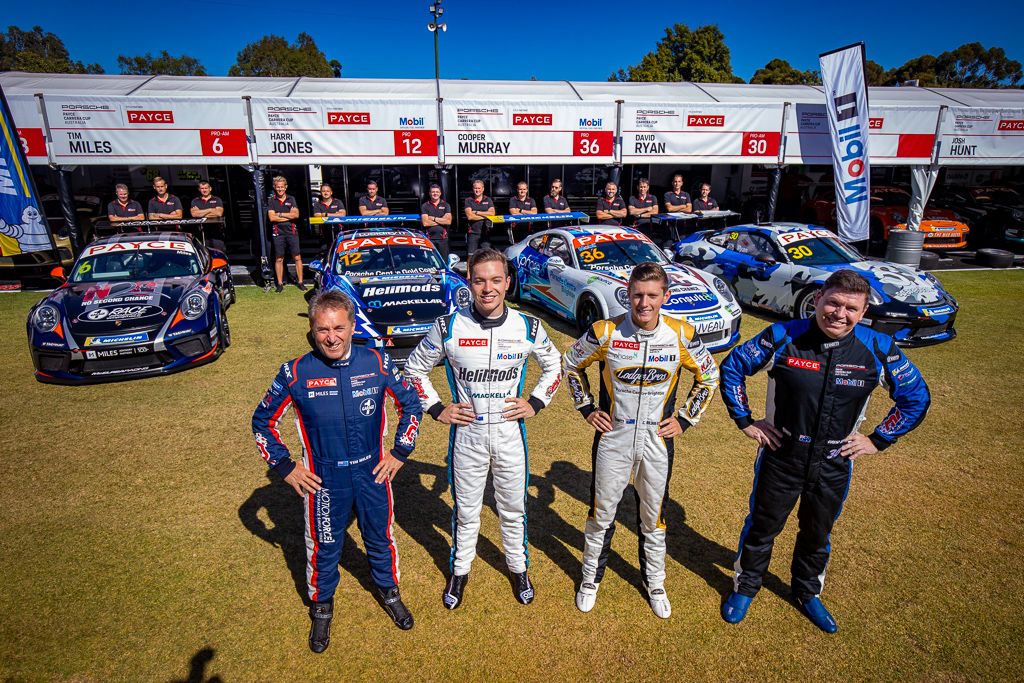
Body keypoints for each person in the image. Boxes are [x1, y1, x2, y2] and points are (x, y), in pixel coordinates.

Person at [718, 269, 931, 633]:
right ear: (818, 300)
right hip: (782, 454)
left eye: (851, 308)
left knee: (817, 532)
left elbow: (916, 398)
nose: (839, 313)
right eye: (833, 302)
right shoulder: (784, 335)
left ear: (863, 313)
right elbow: (734, 367)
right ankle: (746, 586)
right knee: (763, 527)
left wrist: (877, 439)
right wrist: (746, 421)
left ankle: (806, 592)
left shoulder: (878, 347)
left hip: (835, 461)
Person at [251, 290, 423, 653]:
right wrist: (285, 466)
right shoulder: (295, 371)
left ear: (351, 326)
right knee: (324, 547)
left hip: (372, 473)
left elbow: (411, 405)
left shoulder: (376, 362)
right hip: (324, 480)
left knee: (379, 537)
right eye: (322, 330)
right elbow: (262, 422)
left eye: (339, 328)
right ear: (312, 330)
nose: (331, 337)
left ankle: (389, 591)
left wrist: (400, 452)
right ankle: (322, 606)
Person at [404, 248, 562, 610]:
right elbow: (413, 370)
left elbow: (555, 367)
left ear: (507, 283)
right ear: (469, 283)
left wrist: (536, 402)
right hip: (468, 437)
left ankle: (518, 569)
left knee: (512, 508)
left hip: (510, 436)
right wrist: (436, 408)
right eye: (479, 280)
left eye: (495, 280)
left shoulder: (528, 326)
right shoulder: (447, 326)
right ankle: (460, 572)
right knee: (466, 510)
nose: (487, 288)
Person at [562, 261, 719, 619]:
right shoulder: (604, 331)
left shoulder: (681, 333)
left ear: (665, 296)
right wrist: (586, 407)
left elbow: (709, 376)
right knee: (602, 513)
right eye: (636, 295)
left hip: (657, 441)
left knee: (653, 517)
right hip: (613, 438)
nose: (643, 303)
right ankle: (590, 579)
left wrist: (685, 419)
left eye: (651, 296)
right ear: (627, 295)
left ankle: (655, 582)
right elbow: (570, 364)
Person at [267, 175, 305, 293]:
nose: (280, 189)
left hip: (292, 231)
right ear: (274, 187)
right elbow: (272, 218)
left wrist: (280, 214)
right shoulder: (271, 200)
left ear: (286, 187)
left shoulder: (291, 199)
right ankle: (279, 284)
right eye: (278, 187)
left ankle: (300, 282)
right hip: (278, 232)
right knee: (279, 258)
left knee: (297, 257)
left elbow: (296, 215)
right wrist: (287, 215)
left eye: (282, 187)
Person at [189, 180, 226, 252]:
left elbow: (219, 213)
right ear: (199, 189)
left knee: (218, 254)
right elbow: (194, 214)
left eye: (206, 188)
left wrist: (201, 212)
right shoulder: (195, 201)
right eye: (202, 188)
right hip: (201, 233)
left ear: (210, 189)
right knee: (203, 253)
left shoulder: (217, 200)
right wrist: (211, 210)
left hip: (216, 233)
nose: (204, 190)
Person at [463, 179, 496, 257]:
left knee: (487, 257)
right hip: (472, 233)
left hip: (485, 233)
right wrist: (485, 216)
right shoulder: (468, 200)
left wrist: (477, 212)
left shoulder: (488, 200)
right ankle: (470, 270)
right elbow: (470, 216)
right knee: (471, 257)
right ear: (473, 189)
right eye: (475, 188)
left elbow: (492, 214)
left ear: (483, 189)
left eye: (479, 188)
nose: (477, 190)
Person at [420, 183, 452, 261]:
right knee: (430, 262)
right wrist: (441, 220)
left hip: (443, 239)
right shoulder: (425, 206)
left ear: (440, 193)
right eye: (433, 192)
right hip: (429, 239)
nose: (435, 193)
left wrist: (433, 218)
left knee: (443, 261)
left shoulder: (446, 205)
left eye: (437, 192)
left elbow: (448, 221)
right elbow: (425, 223)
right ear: (430, 193)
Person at [312, 183, 346, 248]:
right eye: (323, 191)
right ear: (321, 193)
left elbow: (343, 214)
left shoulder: (338, 202)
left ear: (331, 192)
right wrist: (335, 214)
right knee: (327, 249)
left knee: (339, 248)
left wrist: (325, 214)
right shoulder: (317, 204)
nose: (325, 193)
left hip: (338, 229)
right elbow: (317, 215)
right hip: (324, 231)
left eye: (327, 191)